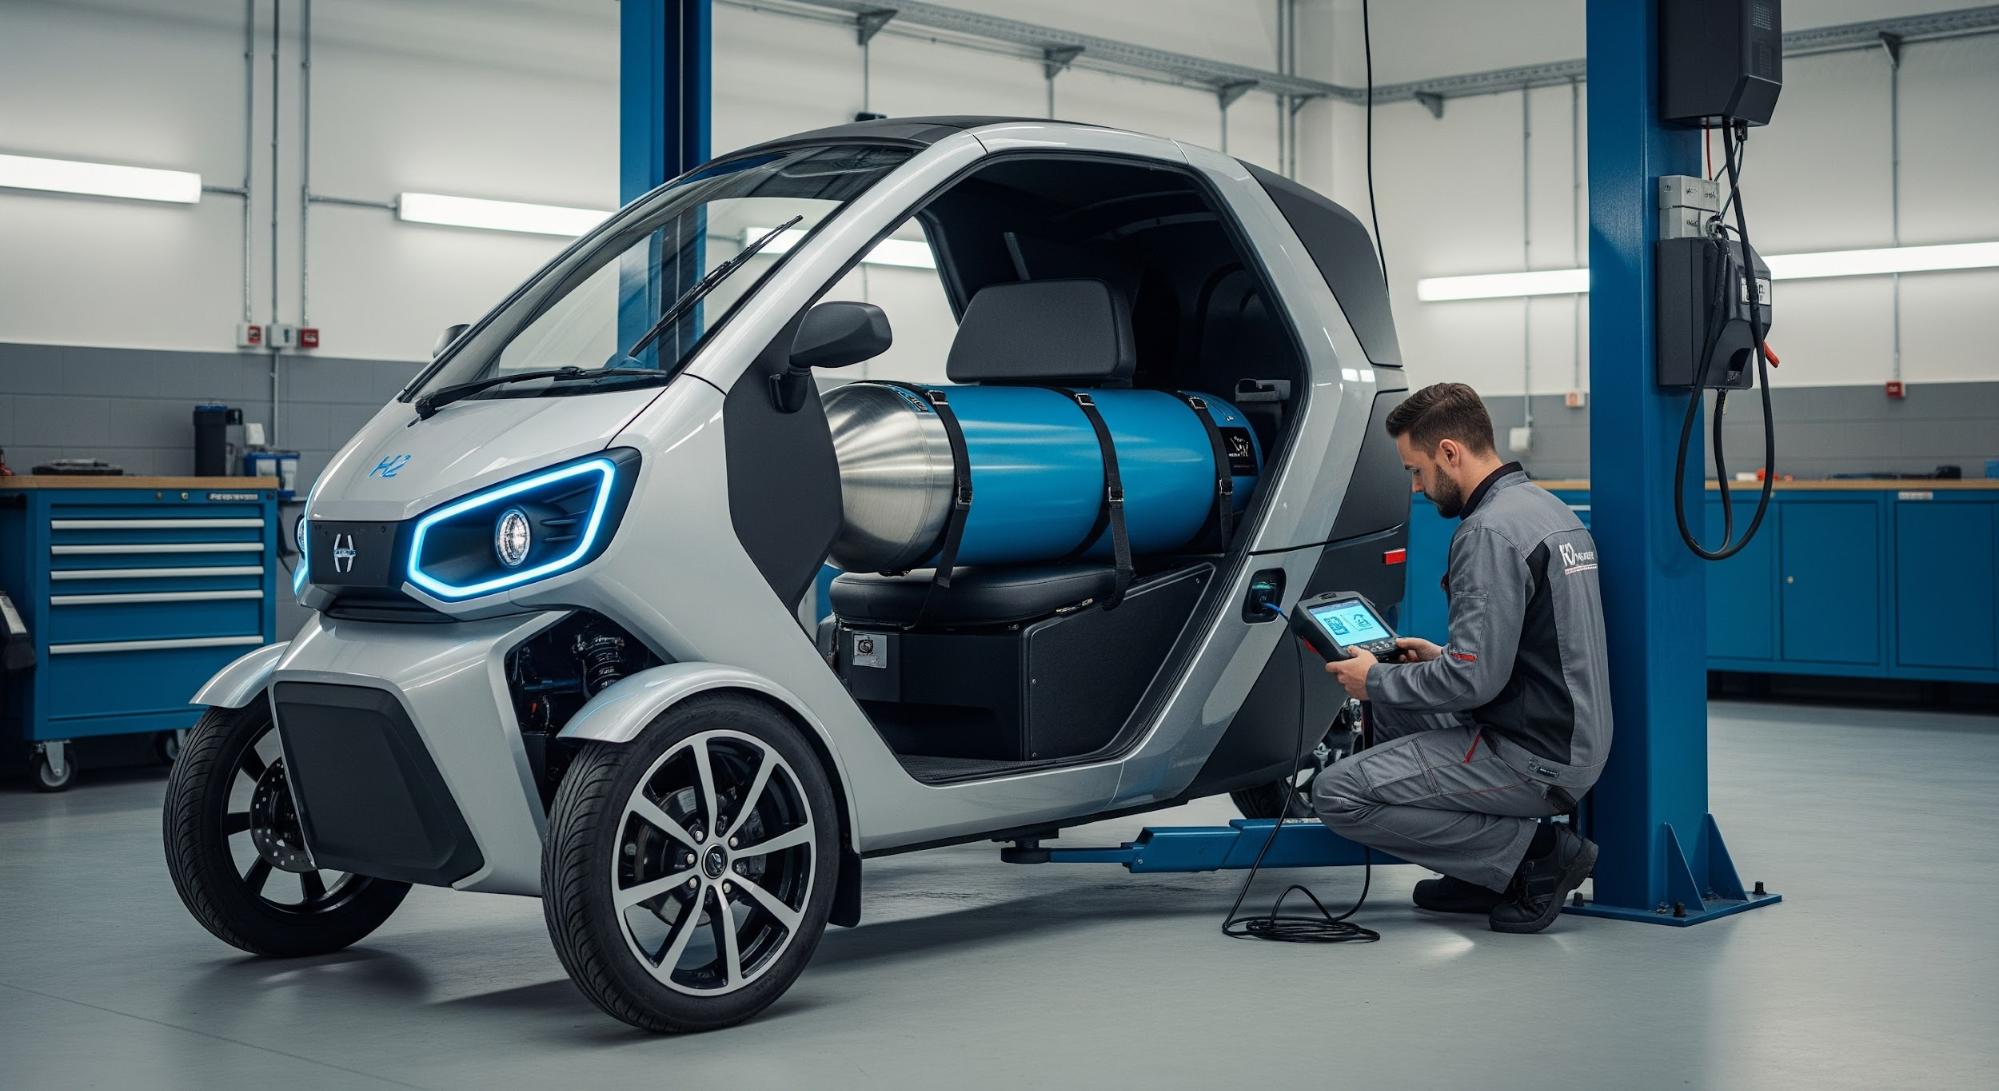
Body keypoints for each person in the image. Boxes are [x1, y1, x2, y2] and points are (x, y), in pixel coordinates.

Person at [1314, 383, 1611, 934]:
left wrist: (1372, 680)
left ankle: (1534, 857)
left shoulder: (1487, 532)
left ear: (1450, 451)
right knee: (1400, 703)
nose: (1418, 486)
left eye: (1418, 470)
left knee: (1337, 792)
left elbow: (1473, 681)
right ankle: (1482, 872)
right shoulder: (1544, 508)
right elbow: (1526, 644)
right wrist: (1434, 658)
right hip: (1566, 732)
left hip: (1534, 757)